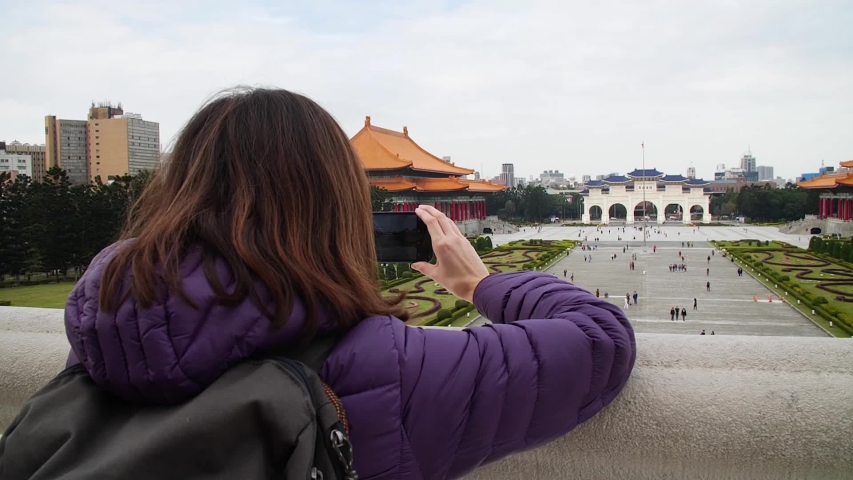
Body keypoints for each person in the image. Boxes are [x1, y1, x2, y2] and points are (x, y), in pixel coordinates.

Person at [47, 88, 636, 479]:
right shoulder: (393, 368)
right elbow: (600, 340)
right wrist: (481, 285)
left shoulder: (110, 327)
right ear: (340, 207)